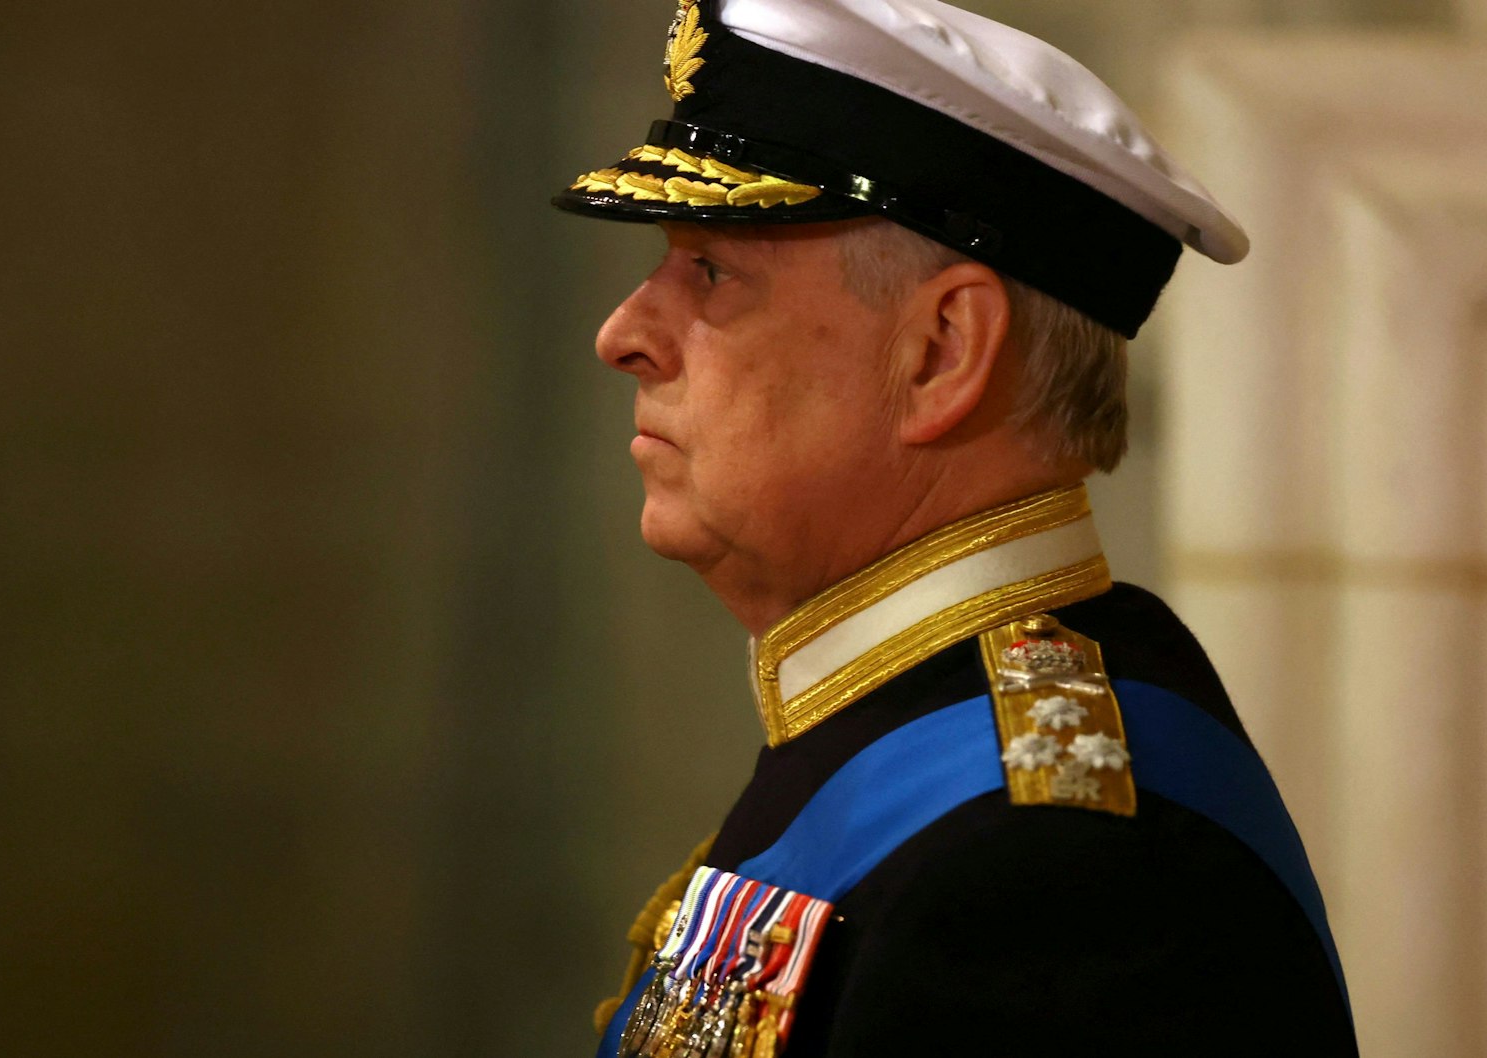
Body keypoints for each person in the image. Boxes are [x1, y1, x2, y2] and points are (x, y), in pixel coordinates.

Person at [554, 1, 1357, 1054]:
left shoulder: (1046, 869)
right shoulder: (923, 726)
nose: (623, 333)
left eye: (710, 269)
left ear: (940, 349)